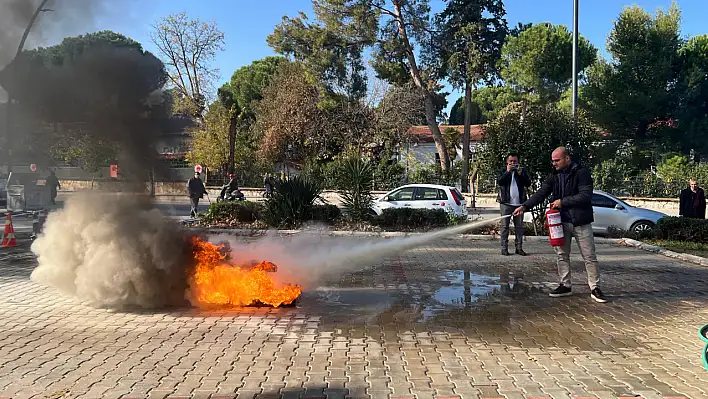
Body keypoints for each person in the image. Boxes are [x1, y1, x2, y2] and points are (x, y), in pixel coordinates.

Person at [512, 147, 607, 303]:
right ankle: (565, 285)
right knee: (562, 255)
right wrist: (524, 206)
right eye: (553, 160)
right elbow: (541, 193)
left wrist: (562, 202)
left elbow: (585, 196)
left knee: (589, 256)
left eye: (557, 160)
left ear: (567, 158)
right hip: (560, 222)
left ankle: (595, 288)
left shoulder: (582, 173)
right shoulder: (554, 175)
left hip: (581, 222)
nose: (554, 163)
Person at [497, 153, 531, 256]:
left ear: (518, 162)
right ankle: (504, 248)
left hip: (519, 204)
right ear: (507, 162)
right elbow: (500, 182)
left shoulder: (521, 171)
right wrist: (507, 172)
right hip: (506, 203)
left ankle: (519, 248)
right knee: (504, 227)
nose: (513, 163)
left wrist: (520, 174)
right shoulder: (502, 171)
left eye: (515, 161)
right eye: (511, 161)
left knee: (519, 227)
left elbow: (527, 183)